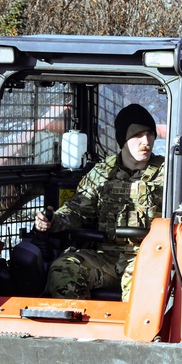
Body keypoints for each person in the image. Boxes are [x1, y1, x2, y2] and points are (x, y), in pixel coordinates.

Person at [31, 103, 164, 300]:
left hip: (148, 257)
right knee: (63, 270)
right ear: (123, 140)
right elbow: (76, 210)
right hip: (105, 257)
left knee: (142, 282)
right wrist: (52, 221)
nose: (146, 141)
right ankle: (76, 328)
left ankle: (138, 332)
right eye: (137, 135)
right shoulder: (102, 172)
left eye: (150, 134)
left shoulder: (167, 173)